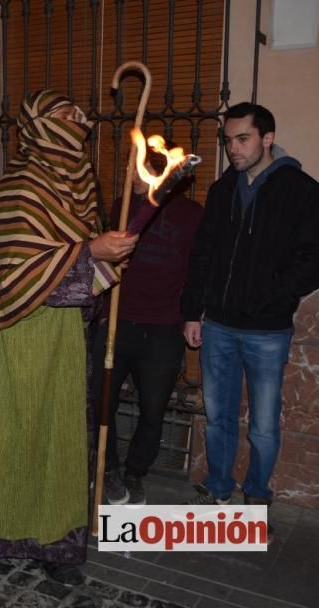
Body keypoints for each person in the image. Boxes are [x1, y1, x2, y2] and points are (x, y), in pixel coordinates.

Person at [0, 91, 135, 586]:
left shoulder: (78, 183)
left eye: (78, 114)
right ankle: (12, 525)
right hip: (17, 331)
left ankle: (58, 540)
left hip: (62, 331)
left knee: (59, 434)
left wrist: (104, 254)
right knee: (19, 432)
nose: (76, 121)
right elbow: (17, 271)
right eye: (63, 115)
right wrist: (90, 250)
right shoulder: (20, 185)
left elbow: (77, 252)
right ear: (38, 124)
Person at [181, 103, 319, 526]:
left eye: (242, 138)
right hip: (218, 325)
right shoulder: (221, 190)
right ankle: (218, 489)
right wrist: (193, 311)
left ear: (267, 138)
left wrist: (271, 293)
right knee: (218, 416)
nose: (233, 148)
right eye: (228, 140)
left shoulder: (300, 189)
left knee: (263, 422)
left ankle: (257, 494)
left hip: (267, 329)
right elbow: (202, 255)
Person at [102, 143, 203, 505]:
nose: (129, 176)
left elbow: (198, 269)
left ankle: (135, 472)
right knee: (103, 403)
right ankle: (109, 470)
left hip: (163, 327)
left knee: (154, 408)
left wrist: (191, 314)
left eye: (136, 169)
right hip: (118, 320)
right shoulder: (122, 208)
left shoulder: (192, 214)